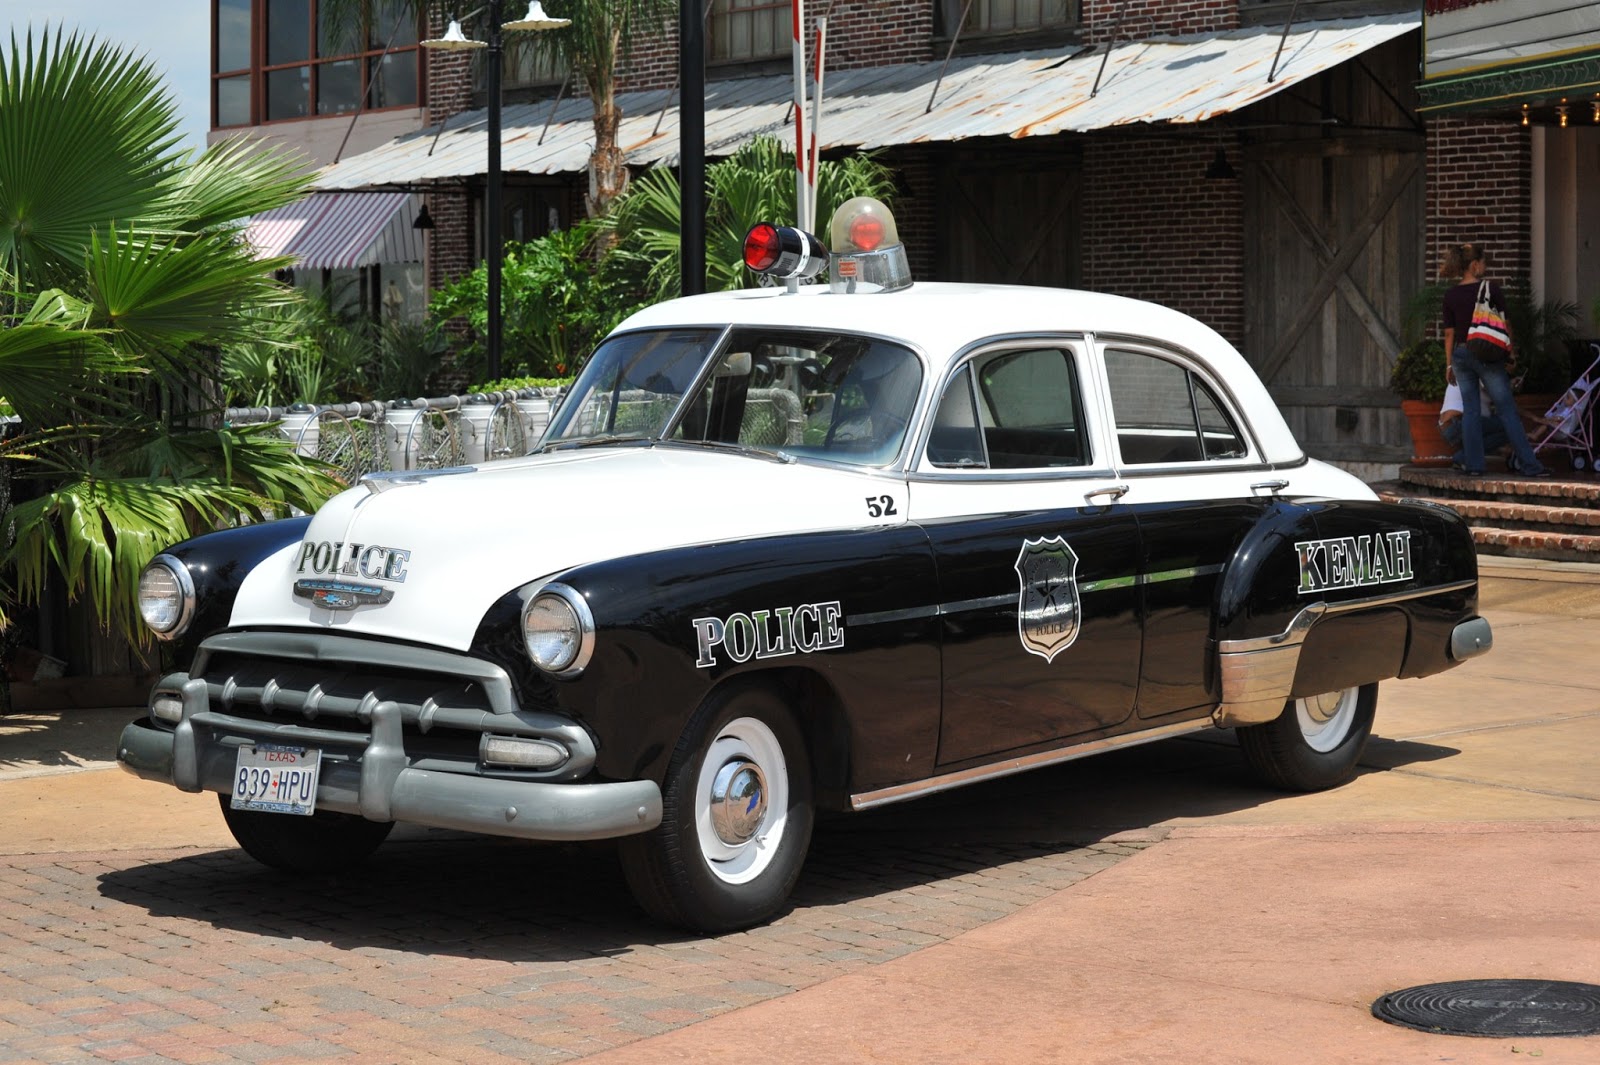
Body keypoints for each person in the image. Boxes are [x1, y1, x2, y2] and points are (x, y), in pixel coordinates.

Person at [1440, 242, 1550, 478]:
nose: (1485, 267)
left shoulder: (1450, 295)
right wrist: (1511, 352)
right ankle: (1531, 466)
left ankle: (1474, 467)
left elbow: (1449, 333)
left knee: (1470, 412)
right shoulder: (1492, 289)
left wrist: (1449, 364)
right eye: (1484, 263)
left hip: (1460, 354)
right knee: (1507, 410)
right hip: (1486, 354)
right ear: (1475, 264)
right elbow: (1505, 324)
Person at [1438, 380, 1510, 470]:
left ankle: (1464, 457)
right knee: (1508, 426)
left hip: (1447, 426)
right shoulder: (1481, 372)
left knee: (1499, 425)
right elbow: (1506, 404)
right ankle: (1462, 457)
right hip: (1458, 423)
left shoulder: (1462, 372)